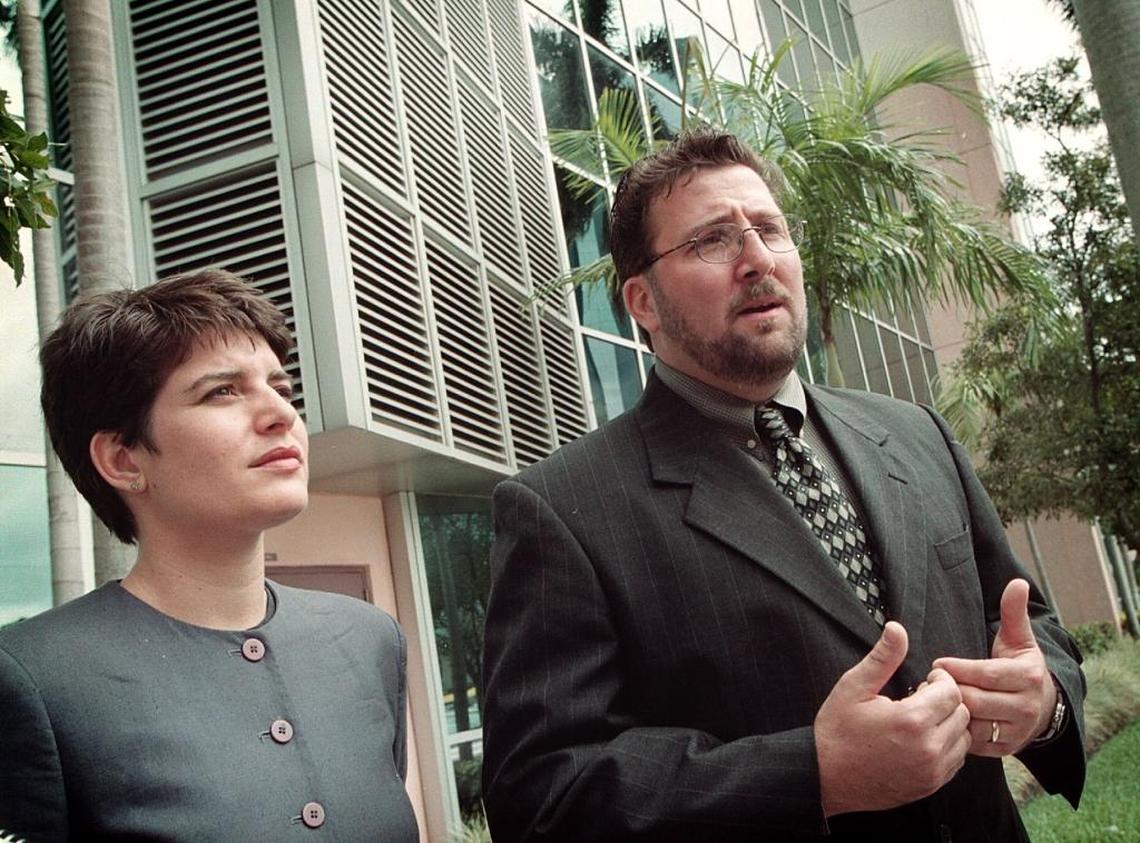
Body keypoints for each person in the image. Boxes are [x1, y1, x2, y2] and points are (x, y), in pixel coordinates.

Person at [481, 129, 1086, 841]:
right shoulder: (563, 510)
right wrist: (814, 774)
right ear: (641, 301)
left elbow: (1027, 622)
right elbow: (542, 797)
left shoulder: (919, 434)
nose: (758, 259)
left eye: (769, 229)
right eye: (713, 240)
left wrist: (1042, 698)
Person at [0, 270, 418, 841]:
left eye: (282, 388)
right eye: (222, 390)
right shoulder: (33, 679)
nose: (281, 415)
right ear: (124, 460)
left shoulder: (369, 638)